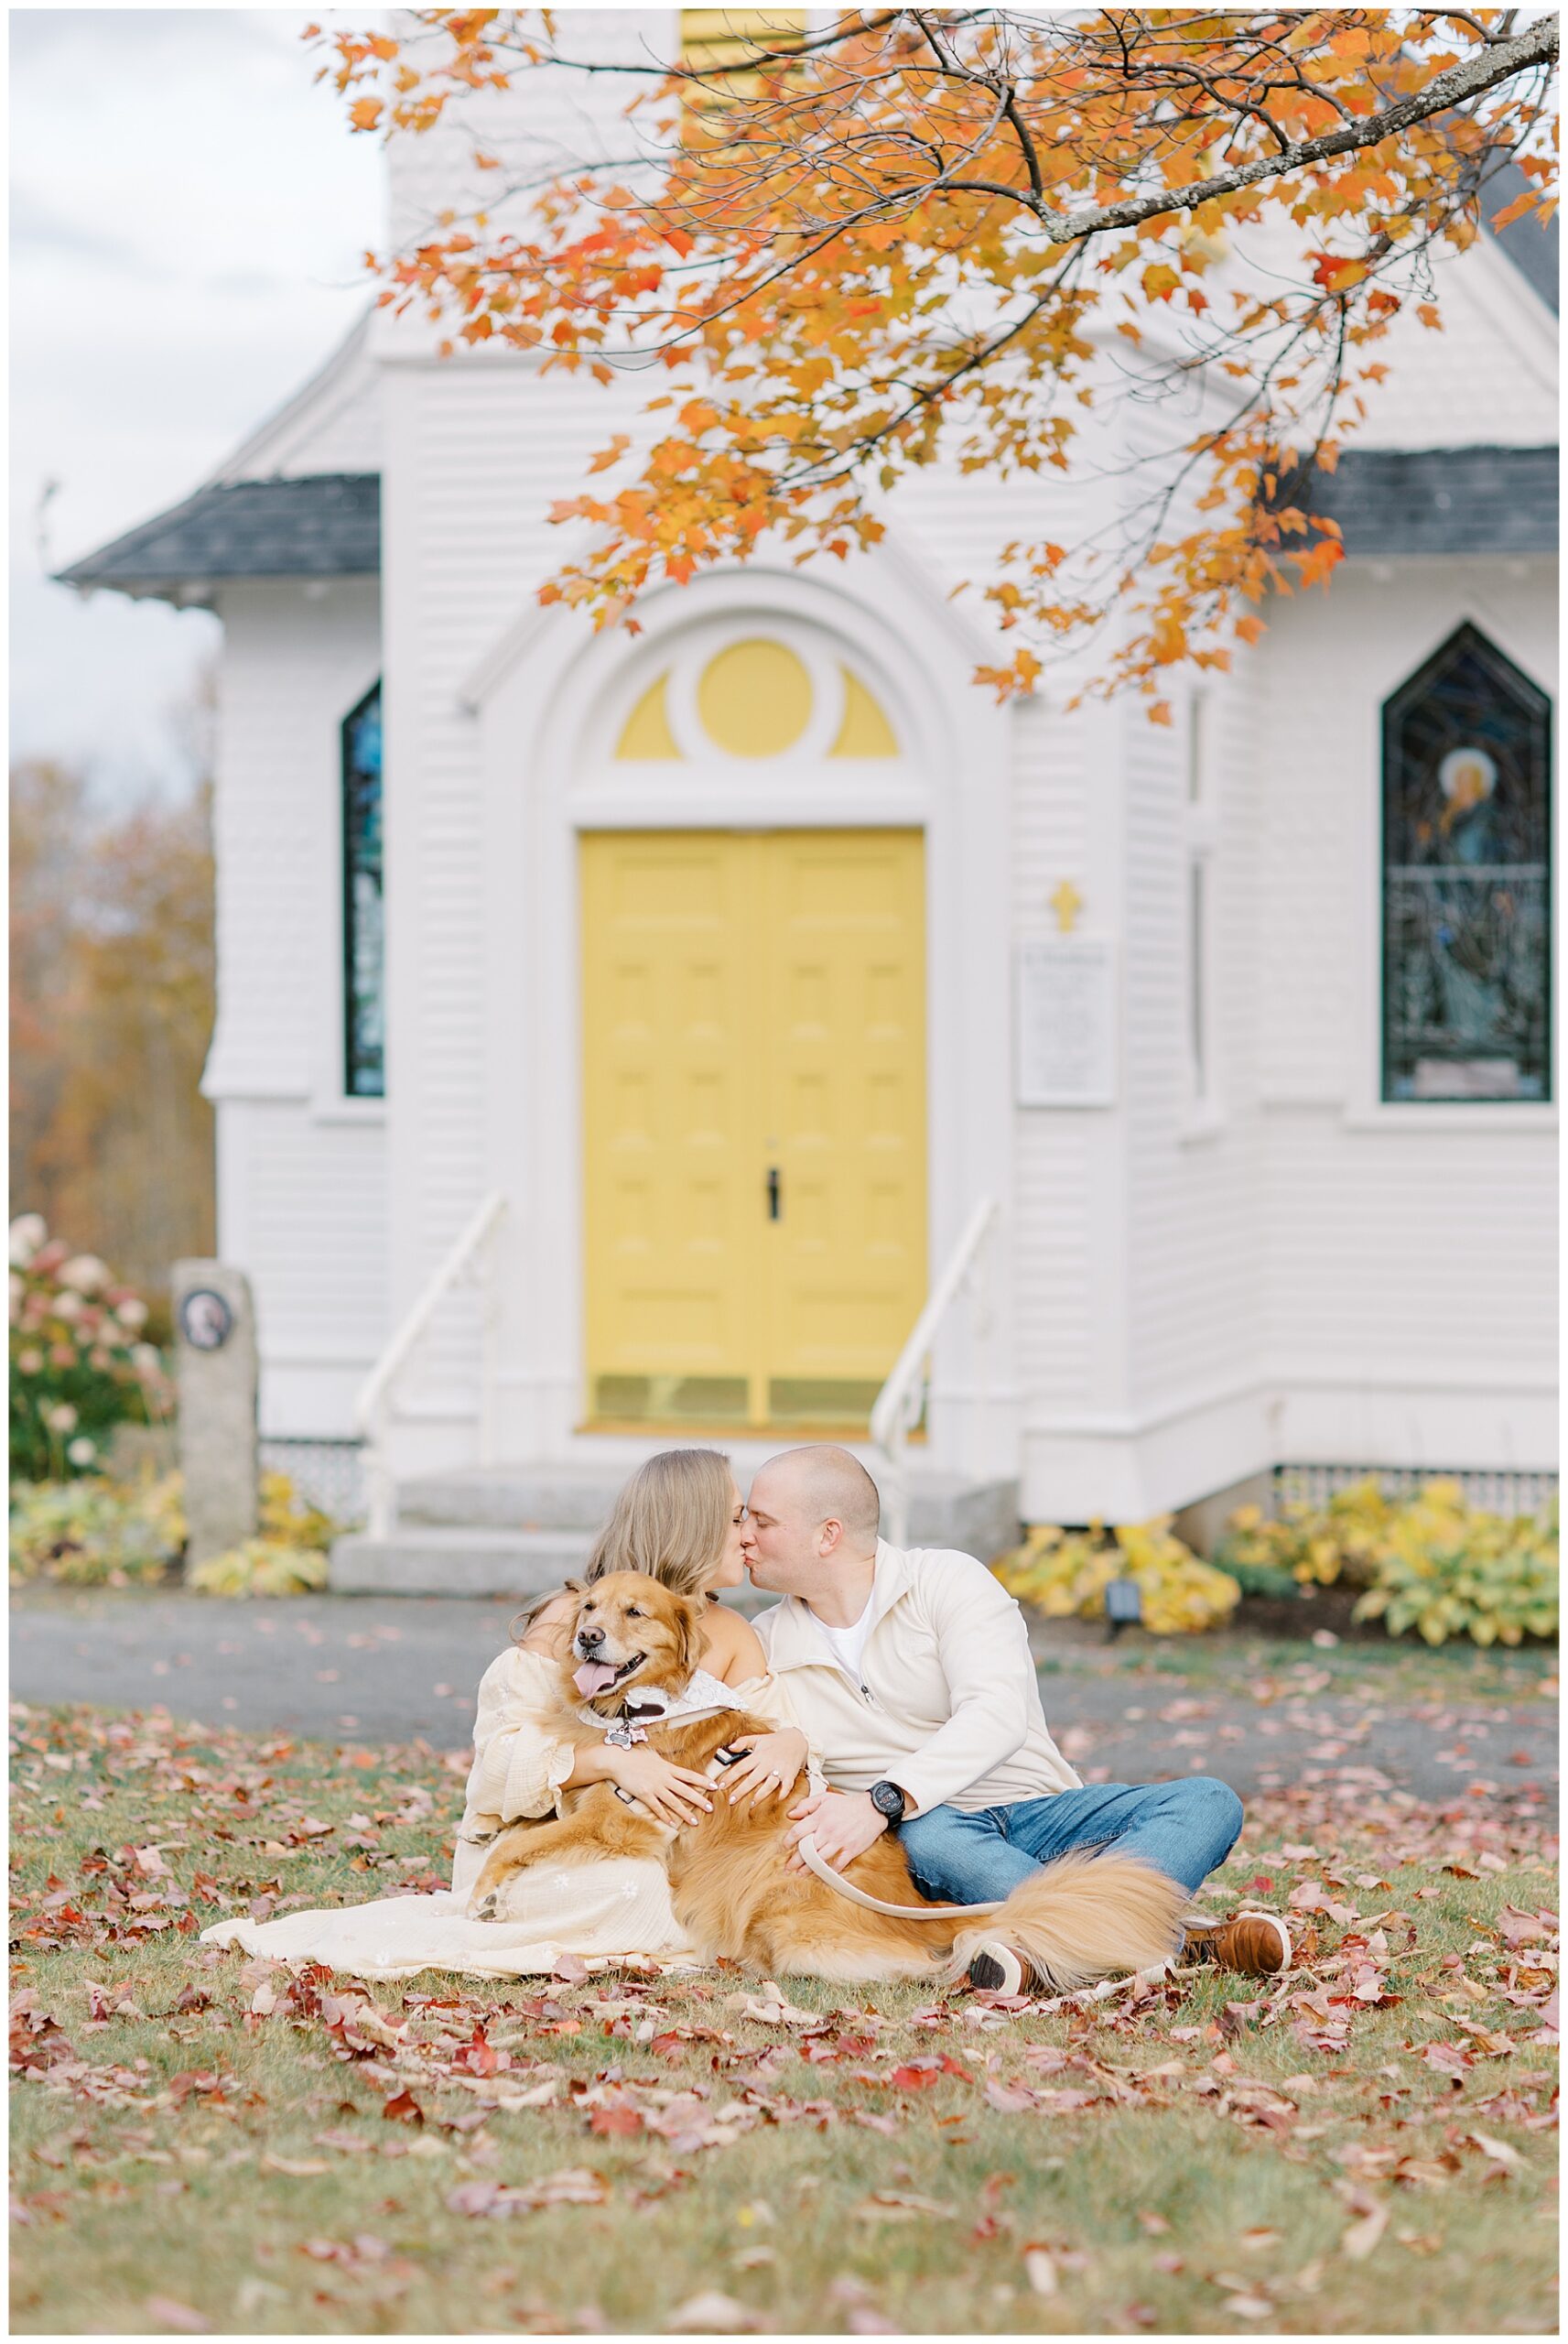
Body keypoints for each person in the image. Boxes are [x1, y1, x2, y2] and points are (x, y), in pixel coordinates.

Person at [200, 1449, 812, 1981]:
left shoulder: (731, 1634)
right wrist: (613, 1763)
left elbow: (767, 1731)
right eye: (736, 1519)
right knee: (636, 1893)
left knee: (672, 1890)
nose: (748, 1535)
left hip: (659, 1851)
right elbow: (498, 1765)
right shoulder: (575, 1616)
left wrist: (792, 1743)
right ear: (691, 1526)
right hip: (541, 1841)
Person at [743, 1443, 1291, 1991]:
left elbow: (997, 1713)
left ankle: (1059, 1948)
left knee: (1207, 1801)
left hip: (1039, 1813)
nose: (745, 1534)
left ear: (827, 1535)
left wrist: (881, 1800)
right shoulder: (766, 1643)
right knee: (931, 1833)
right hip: (931, 1845)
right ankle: (1173, 1943)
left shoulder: (946, 1581)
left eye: (763, 1521)